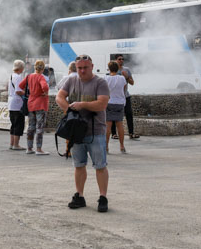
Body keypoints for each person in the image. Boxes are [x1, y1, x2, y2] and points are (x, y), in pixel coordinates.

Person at [56, 54, 110, 212]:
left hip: (96, 130)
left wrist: (82, 105)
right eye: (79, 68)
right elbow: (59, 97)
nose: (82, 71)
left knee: (100, 166)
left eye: (85, 67)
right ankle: (79, 195)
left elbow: (102, 104)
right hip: (76, 131)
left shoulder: (100, 82)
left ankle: (103, 197)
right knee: (78, 165)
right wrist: (70, 111)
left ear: (92, 67)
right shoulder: (71, 80)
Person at [20, 60, 50, 155]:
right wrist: (44, 92)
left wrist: (31, 92)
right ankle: (39, 149)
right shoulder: (40, 77)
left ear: (35, 67)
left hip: (31, 103)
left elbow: (21, 85)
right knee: (39, 127)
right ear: (43, 68)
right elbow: (45, 87)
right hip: (40, 103)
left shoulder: (29, 76)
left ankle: (29, 148)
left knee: (31, 126)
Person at [103, 61, 127, 154]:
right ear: (117, 68)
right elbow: (124, 88)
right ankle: (122, 146)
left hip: (109, 102)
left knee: (107, 126)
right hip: (120, 103)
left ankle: (106, 147)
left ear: (109, 69)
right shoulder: (122, 78)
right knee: (119, 125)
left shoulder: (105, 78)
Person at [116, 55, 139, 139]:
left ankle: (131, 133)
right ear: (116, 60)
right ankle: (114, 134)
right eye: (119, 59)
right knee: (115, 116)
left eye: (122, 59)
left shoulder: (127, 70)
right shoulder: (113, 70)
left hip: (126, 96)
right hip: (116, 97)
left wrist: (127, 77)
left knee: (129, 114)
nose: (121, 60)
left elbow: (132, 83)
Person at [7, 60, 27, 150]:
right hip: (17, 103)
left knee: (13, 124)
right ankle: (16, 144)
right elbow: (18, 91)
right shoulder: (18, 77)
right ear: (21, 68)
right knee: (19, 124)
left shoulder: (11, 76)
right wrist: (26, 94)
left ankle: (11, 144)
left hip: (11, 103)